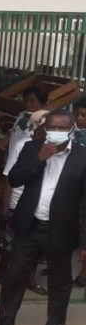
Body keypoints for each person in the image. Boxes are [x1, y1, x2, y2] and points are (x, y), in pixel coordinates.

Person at [0, 109, 86, 325]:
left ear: (72, 130)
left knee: (59, 285)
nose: (55, 131)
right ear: (45, 127)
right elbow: (14, 179)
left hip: (61, 232)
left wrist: (84, 243)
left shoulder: (82, 157)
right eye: (51, 126)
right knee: (14, 279)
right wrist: (39, 158)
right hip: (29, 228)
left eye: (62, 128)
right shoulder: (32, 148)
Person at [0, 87, 49, 295]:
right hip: (19, 200)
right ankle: (2, 272)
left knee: (33, 247)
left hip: (38, 204)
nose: (28, 106)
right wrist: (5, 204)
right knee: (10, 244)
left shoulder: (53, 149)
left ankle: (29, 279)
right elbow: (9, 176)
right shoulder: (23, 144)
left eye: (32, 101)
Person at [72, 98, 86, 288]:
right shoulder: (72, 133)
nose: (80, 119)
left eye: (84, 116)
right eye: (78, 114)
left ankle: (83, 274)